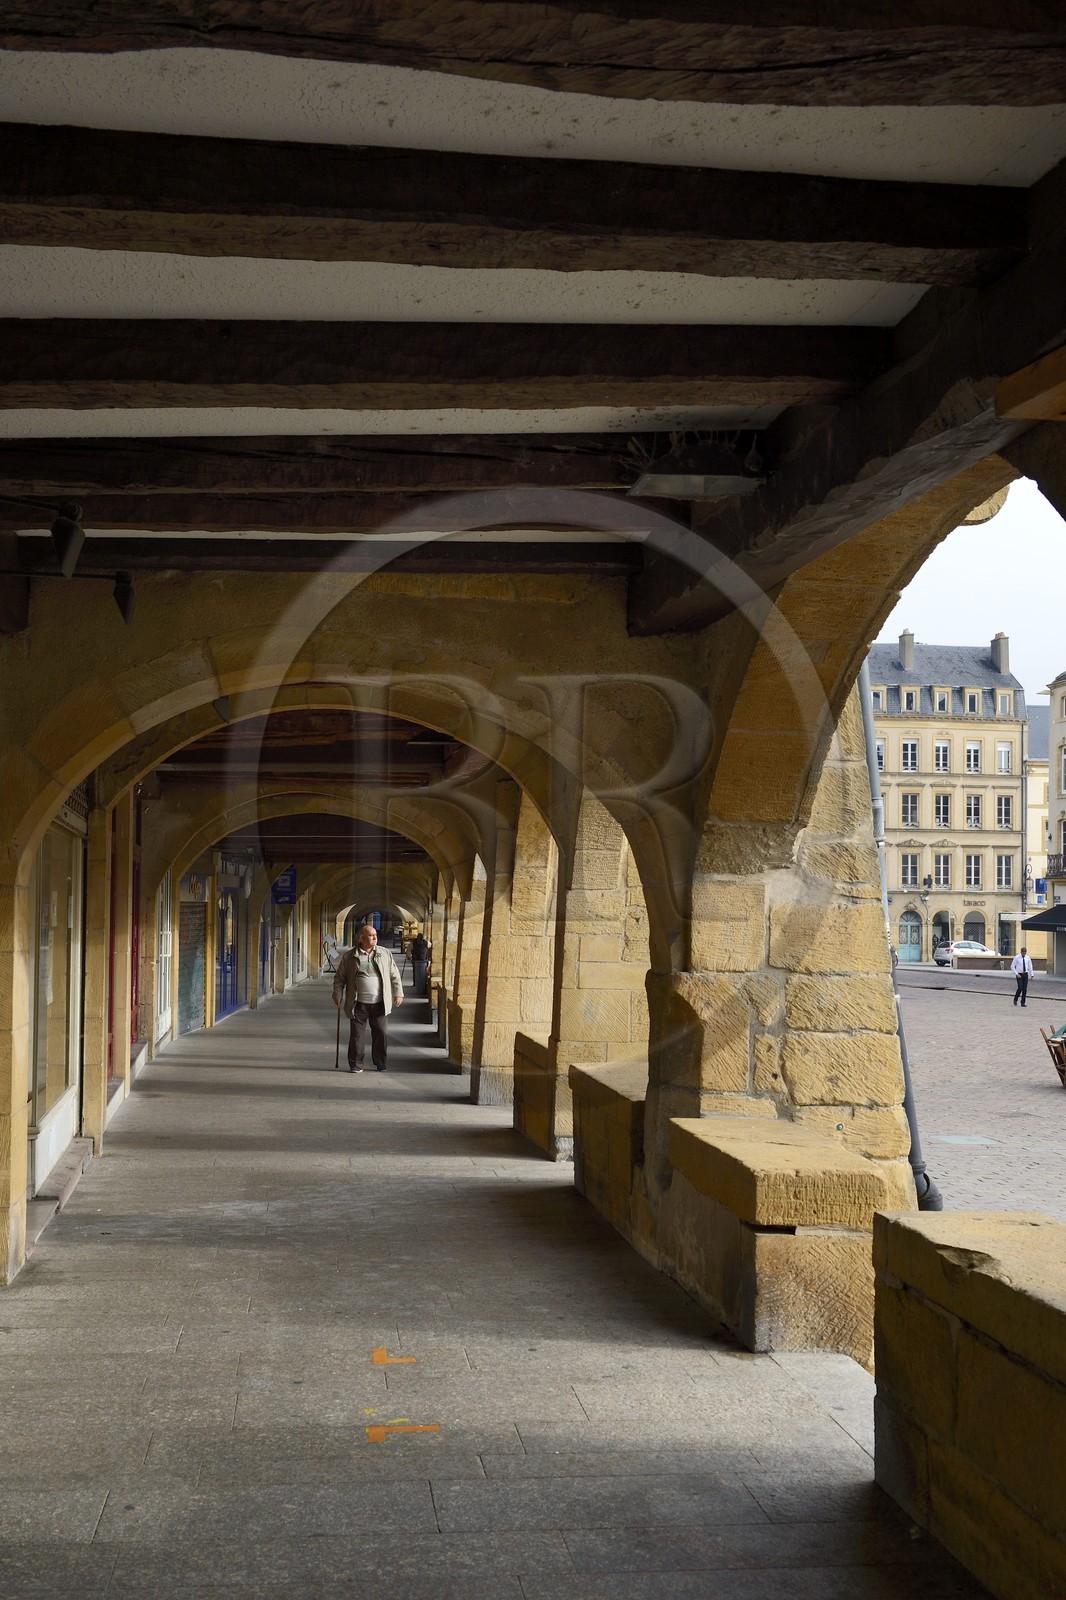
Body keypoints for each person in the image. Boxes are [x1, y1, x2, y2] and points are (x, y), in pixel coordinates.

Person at [332, 923, 403, 1071]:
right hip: (358, 1003)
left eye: (375, 935)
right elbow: (340, 978)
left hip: (380, 1002)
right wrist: (337, 994)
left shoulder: (384, 953)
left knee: (381, 1034)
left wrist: (398, 993)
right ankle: (356, 1063)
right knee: (357, 1036)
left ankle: (380, 1061)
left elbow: (394, 974)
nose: (375, 937)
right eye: (371, 935)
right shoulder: (350, 956)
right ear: (361, 938)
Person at [411, 931, 430, 997]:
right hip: (423, 961)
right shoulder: (426, 942)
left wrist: (408, 955)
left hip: (416, 960)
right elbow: (431, 947)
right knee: (423, 973)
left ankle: (416, 983)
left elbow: (408, 950)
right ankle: (421, 985)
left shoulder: (413, 942)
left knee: (415, 972)